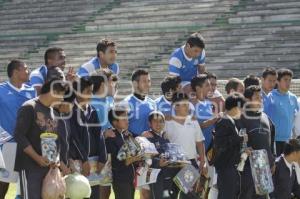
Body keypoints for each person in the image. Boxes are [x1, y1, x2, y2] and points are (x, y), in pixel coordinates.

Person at [14, 77, 67, 199]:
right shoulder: (29, 107)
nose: (62, 99)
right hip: (30, 167)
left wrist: (56, 158)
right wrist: (37, 158)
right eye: (61, 95)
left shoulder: (54, 112)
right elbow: (19, 135)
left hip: (48, 167)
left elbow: (56, 139)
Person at [0, 60, 36, 199]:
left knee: (28, 183)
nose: (28, 71)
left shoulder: (31, 90)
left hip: (28, 145)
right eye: (26, 69)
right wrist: (3, 138)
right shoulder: (1, 90)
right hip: (8, 145)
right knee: (4, 183)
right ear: (15, 72)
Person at [68, 76, 106, 199]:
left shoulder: (92, 110)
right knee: (77, 193)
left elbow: (99, 134)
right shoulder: (71, 112)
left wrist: (102, 158)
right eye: (87, 91)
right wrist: (84, 160)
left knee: (94, 194)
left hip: (94, 162)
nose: (90, 95)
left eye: (91, 91)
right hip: (78, 162)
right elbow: (73, 138)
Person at [164, 92, 206, 199]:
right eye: (184, 105)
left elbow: (200, 142)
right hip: (172, 163)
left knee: (188, 195)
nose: (188, 107)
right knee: (171, 195)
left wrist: (202, 161)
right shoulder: (165, 122)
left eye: (188, 104)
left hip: (190, 163)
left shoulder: (193, 121)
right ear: (175, 106)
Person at [238, 85, 275, 199]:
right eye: (257, 97)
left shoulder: (266, 117)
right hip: (248, 169)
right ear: (248, 100)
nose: (260, 99)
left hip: (264, 167)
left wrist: (272, 160)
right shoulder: (241, 118)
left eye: (261, 97)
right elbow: (239, 141)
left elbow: (271, 141)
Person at [90, 69, 118, 199]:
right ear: (102, 85)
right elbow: (87, 130)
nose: (114, 84)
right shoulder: (91, 103)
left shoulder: (109, 100)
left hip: (110, 150)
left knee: (106, 187)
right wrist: (104, 133)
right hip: (97, 153)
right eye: (111, 81)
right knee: (97, 188)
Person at [212, 93, 246, 199]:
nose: (243, 112)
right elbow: (221, 144)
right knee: (227, 195)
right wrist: (240, 138)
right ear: (236, 108)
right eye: (242, 108)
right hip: (225, 167)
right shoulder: (224, 122)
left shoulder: (231, 121)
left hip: (231, 165)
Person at [143, 111, 180, 199]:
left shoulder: (165, 138)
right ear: (149, 123)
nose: (158, 124)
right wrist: (157, 163)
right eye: (155, 121)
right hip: (156, 177)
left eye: (161, 121)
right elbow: (144, 157)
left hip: (169, 175)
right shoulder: (146, 137)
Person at [264, 68, 299, 156]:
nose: (288, 82)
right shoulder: (270, 97)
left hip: (288, 140)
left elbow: (296, 118)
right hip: (274, 140)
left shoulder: (293, 98)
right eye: (285, 80)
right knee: (276, 168)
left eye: (290, 80)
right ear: (277, 81)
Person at [106, 108, 139, 199]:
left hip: (130, 178)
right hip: (120, 180)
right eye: (124, 119)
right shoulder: (111, 137)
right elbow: (116, 162)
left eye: (127, 118)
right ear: (115, 122)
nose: (127, 121)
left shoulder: (127, 135)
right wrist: (135, 158)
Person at [120, 69, 156, 137]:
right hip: (135, 146)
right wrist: (139, 137)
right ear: (135, 83)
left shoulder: (152, 102)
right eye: (144, 81)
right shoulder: (126, 103)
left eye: (149, 81)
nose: (148, 84)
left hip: (152, 146)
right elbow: (121, 129)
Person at [191, 75, 219, 151]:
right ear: (197, 88)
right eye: (207, 85)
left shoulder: (209, 103)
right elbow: (193, 127)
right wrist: (214, 119)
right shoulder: (191, 105)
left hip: (210, 148)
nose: (210, 88)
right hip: (197, 151)